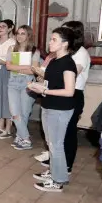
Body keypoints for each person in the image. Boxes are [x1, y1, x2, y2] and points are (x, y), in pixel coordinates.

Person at [28, 27, 77, 193]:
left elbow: (69, 91)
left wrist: (44, 91)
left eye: (54, 39)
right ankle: (55, 173)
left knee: (56, 145)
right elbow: (51, 84)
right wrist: (38, 86)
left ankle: (58, 181)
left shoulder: (68, 63)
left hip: (60, 109)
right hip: (49, 105)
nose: (50, 42)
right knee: (51, 144)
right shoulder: (54, 61)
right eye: (51, 39)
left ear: (65, 43)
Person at [62, 21, 91, 173]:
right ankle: (57, 160)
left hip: (74, 94)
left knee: (68, 131)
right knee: (59, 132)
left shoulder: (81, 54)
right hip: (63, 93)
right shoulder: (69, 52)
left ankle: (67, 164)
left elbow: (72, 74)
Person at [5, 25, 40, 150]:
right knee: (15, 113)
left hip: (27, 84)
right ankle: (26, 138)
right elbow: (8, 67)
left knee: (24, 113)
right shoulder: (11, 48)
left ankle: (20, 137)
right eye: (18, 33)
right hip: (13, 83)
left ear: (28, 35)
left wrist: (18, 67)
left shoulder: (35, 51)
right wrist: (25, 67)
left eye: (23, 33)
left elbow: (33, 71)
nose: (19, 36)